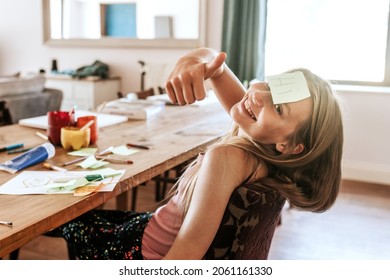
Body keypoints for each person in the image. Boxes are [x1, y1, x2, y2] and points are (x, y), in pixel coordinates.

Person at [57, 47, 344, 260]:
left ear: (291, 145)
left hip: (148, 252)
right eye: (270, 86)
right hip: (154, 230)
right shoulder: (271, 151)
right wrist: (193, 61)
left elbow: (188, 249)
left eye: (279, 107)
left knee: (73, 222)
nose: (258, 95)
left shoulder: (228, 158)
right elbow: (216, 68)